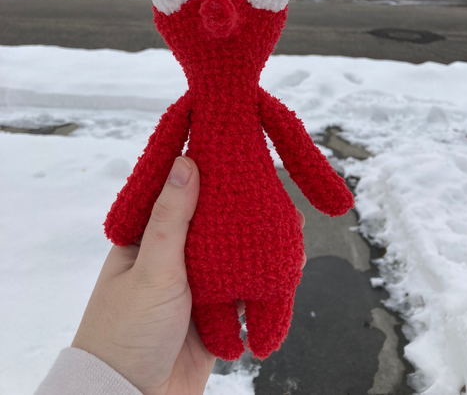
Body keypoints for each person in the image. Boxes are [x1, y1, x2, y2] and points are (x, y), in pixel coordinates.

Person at [35, 156, 306, 395]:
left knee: (257, 292)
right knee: (259, 288)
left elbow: (156, 159)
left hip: (218, 259)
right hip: (233, 256)